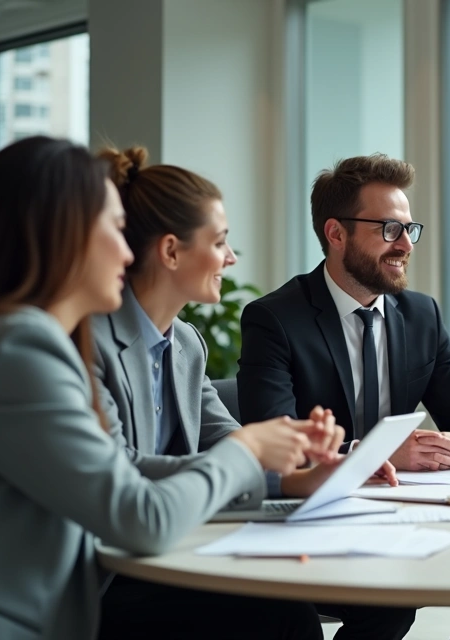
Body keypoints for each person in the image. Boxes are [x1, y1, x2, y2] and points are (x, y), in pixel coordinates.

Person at [0, 137, 334, 640]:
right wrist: (248, 449)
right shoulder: (20, 351)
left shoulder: (32, 342)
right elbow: (140, 512)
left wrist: (280, 475)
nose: (129, 250)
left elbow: (123, 475)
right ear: (60, 236)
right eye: (114, 228)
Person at [91, 146, 392, 639]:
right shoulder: (92, 342)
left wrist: (302, 473)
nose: (230, 258)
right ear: (170, 252)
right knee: (279, 617)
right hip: (110, 576)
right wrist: (253, 451)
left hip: (180, 546)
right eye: (221, 242)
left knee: (287, 608)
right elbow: (126, 472)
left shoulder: (186, 343)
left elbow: (224, 442)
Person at [238, 153, 450, 640]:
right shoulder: (275, 320)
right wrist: (372, 454)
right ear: (336, 234)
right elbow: (273, 447)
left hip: (405, 515)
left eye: (409, 229)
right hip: (317, 525)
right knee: (388, 604)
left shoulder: (420, 314)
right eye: (388, 229)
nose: (405, 244)